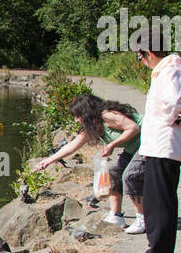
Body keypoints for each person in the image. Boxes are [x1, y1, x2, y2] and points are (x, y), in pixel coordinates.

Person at [131, 43, 181, 253]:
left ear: (148, 53)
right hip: (160, 145)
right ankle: (157, 251)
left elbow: (174, 102)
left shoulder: (169, 71)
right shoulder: (169, 70)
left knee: (160, 201)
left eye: (140, 57)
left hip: (164, 144)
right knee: (156, 198)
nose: (142, 62)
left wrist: (165, 122)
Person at [33, 93, 142, 226]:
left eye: (78, 116)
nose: (76, 120)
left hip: (147, 145)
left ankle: (142, 218)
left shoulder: (107, 115)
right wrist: (48, 161)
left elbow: (134, 128)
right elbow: (71, 146)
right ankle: (117, 216)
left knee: (130, 176)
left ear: (86, 113)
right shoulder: (93, 125)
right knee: (113, 176)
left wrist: (112, 144)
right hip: (133, 150)